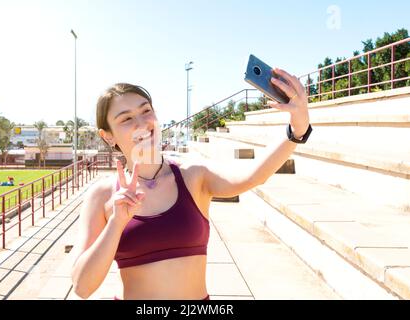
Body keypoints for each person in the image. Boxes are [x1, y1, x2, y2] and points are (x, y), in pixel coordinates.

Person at [71, 75, 311, 300]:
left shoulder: (193, 176)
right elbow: (82, 287)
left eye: (146, 111)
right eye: (126, 119)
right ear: (108, 136)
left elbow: (252, 176)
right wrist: (116, 224)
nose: (142, 122)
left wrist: (297, 131)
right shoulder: (102, 195)